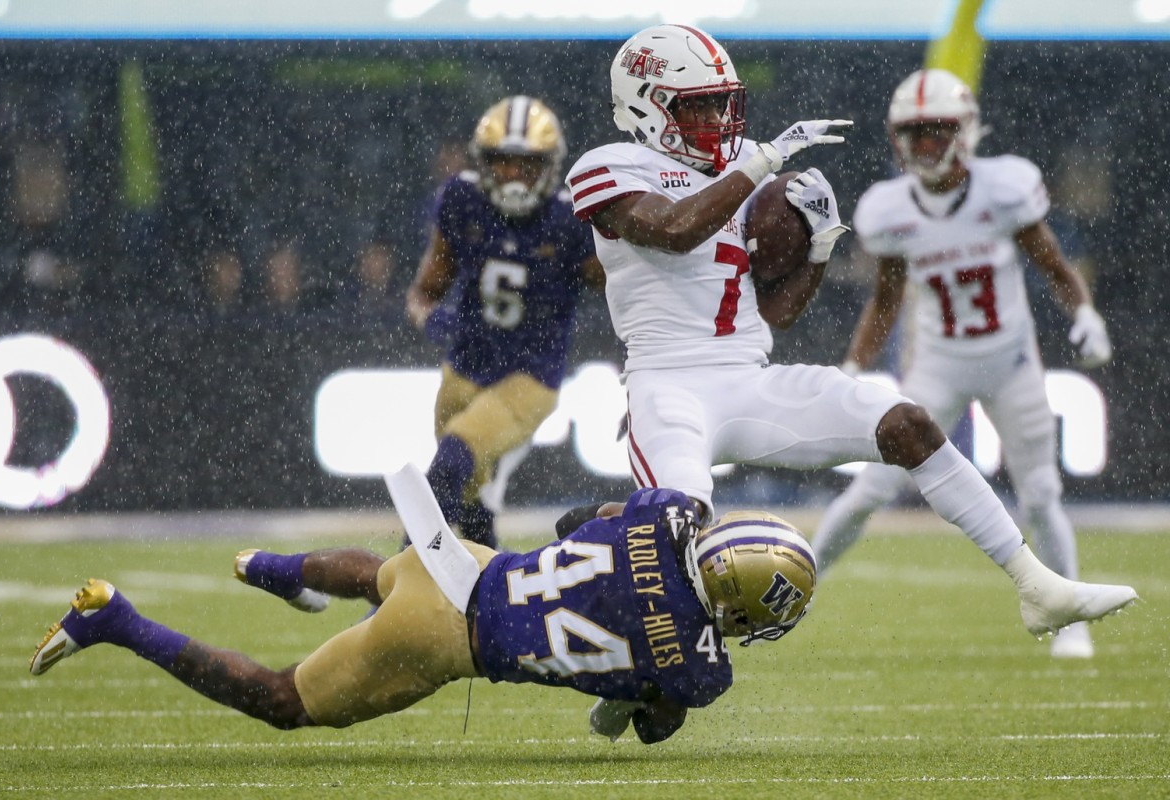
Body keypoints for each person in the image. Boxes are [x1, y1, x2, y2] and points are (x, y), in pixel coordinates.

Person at [563, 24, 1135, 642]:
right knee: (676, 533)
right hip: (668, 388)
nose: (716, 118)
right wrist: (763, 163)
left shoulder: (743, 163)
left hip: (749, 380)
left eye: (720, 101)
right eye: (696, 104)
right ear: (646, 104)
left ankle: (1037, 586)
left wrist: (819, 248)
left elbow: (777, 314)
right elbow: (673, 229)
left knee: (906, 424)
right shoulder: (610, 165)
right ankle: (603, 563)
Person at [29, 483, 816, 745]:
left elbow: (577, 520)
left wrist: (622, 562)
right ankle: (115, 619)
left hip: (469, 564)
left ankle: (268, 567)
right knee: (281, 701)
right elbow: (650, 727)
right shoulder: (699, 669)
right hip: (446, 640)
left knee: (380, 575)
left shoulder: (670, 515)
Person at [808, 69, 1115, 659]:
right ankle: (807, 578)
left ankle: (1071, 621)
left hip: (1010, 360)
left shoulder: (1005, 189)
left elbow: (1054, 265)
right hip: (938, 367)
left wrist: (1085, 313)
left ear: (966, 130)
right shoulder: (889, 209)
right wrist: (851, 366)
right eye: (914, 132)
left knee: (1040, 495)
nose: (925, 144)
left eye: (936, 130)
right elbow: (887, 299)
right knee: (872, 487)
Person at [405, 95, 605, 549]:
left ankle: (394, 586)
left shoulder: (570, 220)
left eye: (527, 165)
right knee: (468, 490)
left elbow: (623, 292)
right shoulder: (461, 200)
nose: (514, 177)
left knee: (452, 462)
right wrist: (429, 318)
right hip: (464, 364)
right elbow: (423, 291)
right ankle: (490, 595)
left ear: (550, 167)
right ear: (483, 163)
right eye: (503, 164)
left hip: (529, 377)